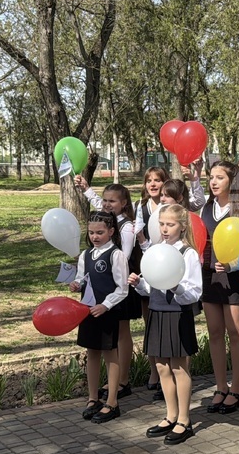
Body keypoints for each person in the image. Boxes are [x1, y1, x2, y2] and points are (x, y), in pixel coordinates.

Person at [129, 204, 203, 445]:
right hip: (157, 312)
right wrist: (138, 284)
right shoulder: (155, 250)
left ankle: (184, 419)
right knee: (161, 366)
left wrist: (176, 286)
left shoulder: (187, 253)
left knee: (179, 367)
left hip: (177, 315)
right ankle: (170, 414)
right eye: (162, 224)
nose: (165, 229)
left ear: (182, 227)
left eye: (170, 224)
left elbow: (194, 292)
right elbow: (151, 286)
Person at [73, 176, 139, 403]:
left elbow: (126, 256)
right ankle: (101, 392)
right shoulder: (98, 232)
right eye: (105, 200)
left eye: (113, 201)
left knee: (119, 336)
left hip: (116, 287)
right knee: (97, 347)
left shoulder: (126, 227)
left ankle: (121, 381)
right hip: (95, 296)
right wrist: (86, 189)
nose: (107, 204)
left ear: (124, 204)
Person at [200, 161, 239, 414]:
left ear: (231, 181)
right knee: (214, 332)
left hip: (235, 279)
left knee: (236, 333)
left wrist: (232, 265)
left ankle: (237, 389)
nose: (213, 182)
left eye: (219, 177)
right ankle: (220, 386)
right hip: (209, 277)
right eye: (211, 177)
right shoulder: (206, 207)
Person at [69, 211, 131, 424]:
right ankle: (93, 397)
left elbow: (122, 289)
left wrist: (105, 305)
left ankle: (112, 401)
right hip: (88, 311)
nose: (95, 236)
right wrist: (76, 284)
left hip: (106, 312)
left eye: (100, 232)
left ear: (111, 231)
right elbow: (81, 277)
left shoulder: (116, 255)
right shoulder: (86, 255)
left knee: (110, 354)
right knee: (91, 353)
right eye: (91, 232)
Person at [133, 166, 170, 394]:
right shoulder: (141, 207)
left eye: (157, 180)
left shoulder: (170, 207)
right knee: (150, 323)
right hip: (148, 264)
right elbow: (139, 233)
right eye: (149, 181)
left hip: (168, 265)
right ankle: (154, 371)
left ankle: (168, 371)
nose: (153, 184)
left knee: (166, 320)